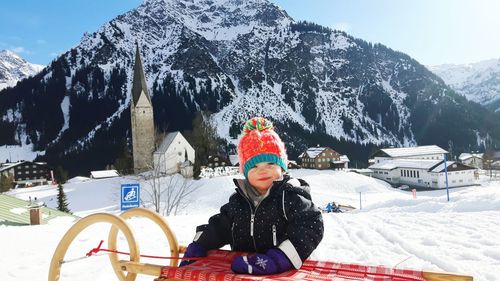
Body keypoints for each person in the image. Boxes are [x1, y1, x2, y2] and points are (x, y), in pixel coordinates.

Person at [180, 117, 324, 275]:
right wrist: (200, 244)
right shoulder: (239, 201)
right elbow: (220, 227)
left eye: (271, 163)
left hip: (285, 273)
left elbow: (310, 225)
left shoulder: (289, 197)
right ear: (245, 173)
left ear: (282, 167)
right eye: (254, 166)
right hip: (244, 272)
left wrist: (279, 259)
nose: (263, 170)